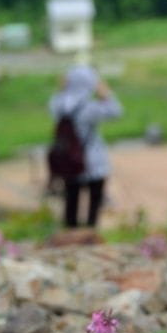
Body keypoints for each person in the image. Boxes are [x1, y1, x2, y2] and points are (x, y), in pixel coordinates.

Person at [49, 64, 122, 228]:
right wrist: (105, 93)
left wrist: (62, 89)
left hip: (68, 161)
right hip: (94, 163)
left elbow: (54, 103)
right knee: (94, 206)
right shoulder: (89, 108)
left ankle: (70, 238)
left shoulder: (58, 105)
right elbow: (116, 111)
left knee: (71, 205)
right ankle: (89, 238)